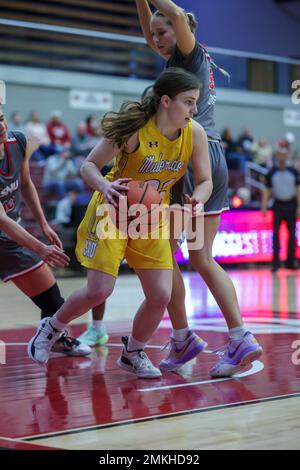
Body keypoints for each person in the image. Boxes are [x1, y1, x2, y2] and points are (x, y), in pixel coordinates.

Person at [27, 67, 213, 378]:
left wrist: (199, 200)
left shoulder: (194, 133)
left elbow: (205, 180)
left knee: (160, 295)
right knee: (99, 290)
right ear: (166, 101)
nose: (195, 109)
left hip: (152, 217)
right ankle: (52, 327)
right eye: (189, 101)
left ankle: (133, 352)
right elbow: (89, 165)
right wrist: (104, 186)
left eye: (196, 102)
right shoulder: (136, 128)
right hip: (113, 210)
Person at [132, 0, 262, 377]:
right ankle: (239, 337)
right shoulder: (179, 60)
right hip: (212, 155)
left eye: (163, 33)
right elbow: (151, 29)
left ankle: (183, 335)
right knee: (201, 257)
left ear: (182, 29)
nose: (155, 39)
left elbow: (172, 14)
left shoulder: (188, 55)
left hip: (188, 157)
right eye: (154, 34)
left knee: (166, 256)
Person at [0, 107, 91, 357]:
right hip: (6, 231)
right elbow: (1, 220)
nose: (0, 126)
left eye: (0, 118)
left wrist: (43, 223)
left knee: (53, 302)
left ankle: (58, 340)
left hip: (9, 240)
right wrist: (39, 247)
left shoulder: (17, 142)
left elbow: (26, 183)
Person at [261, 142, 300, 272]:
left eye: (284, 155)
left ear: (287, 155)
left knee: (291, 234)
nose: (282, 157)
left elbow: (298, 189)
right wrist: (264, 205)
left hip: (291, 205)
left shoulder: (293, 172)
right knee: (276, 234)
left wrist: (299, 206)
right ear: (277, 156)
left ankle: (290, 262)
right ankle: (276, 264)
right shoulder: (271, 173)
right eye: (280, 155)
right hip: (277, 205)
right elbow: (267, 190)